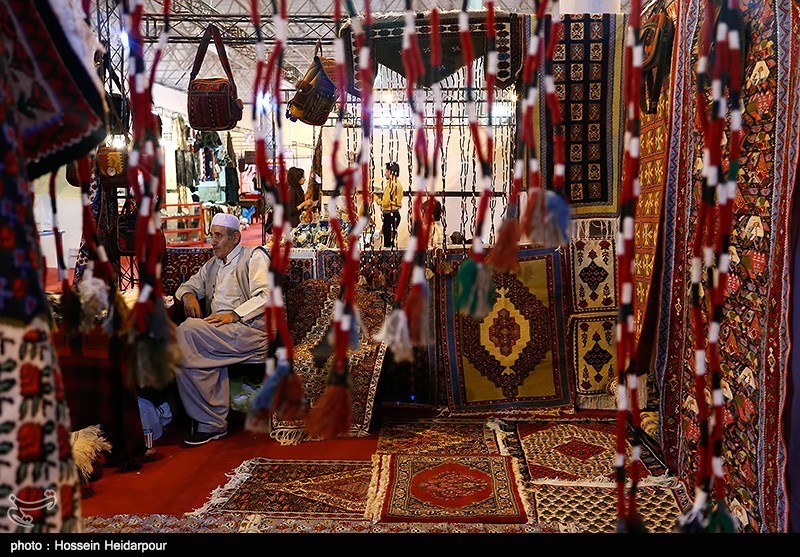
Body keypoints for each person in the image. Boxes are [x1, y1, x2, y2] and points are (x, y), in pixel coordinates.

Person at [173, 212, 271, 445]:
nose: (212, 242)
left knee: (186, 332)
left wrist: (234, 314)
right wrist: (188, 297)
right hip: (219, 331)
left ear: (235, 237)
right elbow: (188, 286)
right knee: (187, 345)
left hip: (249, 330)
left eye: (218, 236)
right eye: (211, 236)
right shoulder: (213, 264)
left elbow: (267, 295)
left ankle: (210, 420)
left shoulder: (254, 257)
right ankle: (210, 421)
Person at [374, 161, 404, 248]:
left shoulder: (392, 185)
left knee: (388, 244)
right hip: (394, 215)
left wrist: (375, 198)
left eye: (386, 171)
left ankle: (390, 261)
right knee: (390, 241)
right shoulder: (397, 183)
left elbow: (385, 203)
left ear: (391, 172)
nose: (385, 173)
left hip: (390, 215)